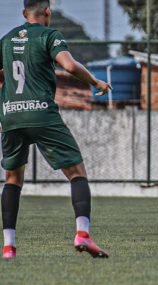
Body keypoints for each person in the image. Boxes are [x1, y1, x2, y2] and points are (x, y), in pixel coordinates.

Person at [0, 0, 111, 259]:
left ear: (24, 13)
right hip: (41, 113)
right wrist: (96, 81)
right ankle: (82, 232)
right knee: (76, 172)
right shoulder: (50, 35)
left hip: (11, 117)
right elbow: (69, 66)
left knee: (12, 179)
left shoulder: (5, 40)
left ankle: (8, 247)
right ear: (47, 11)